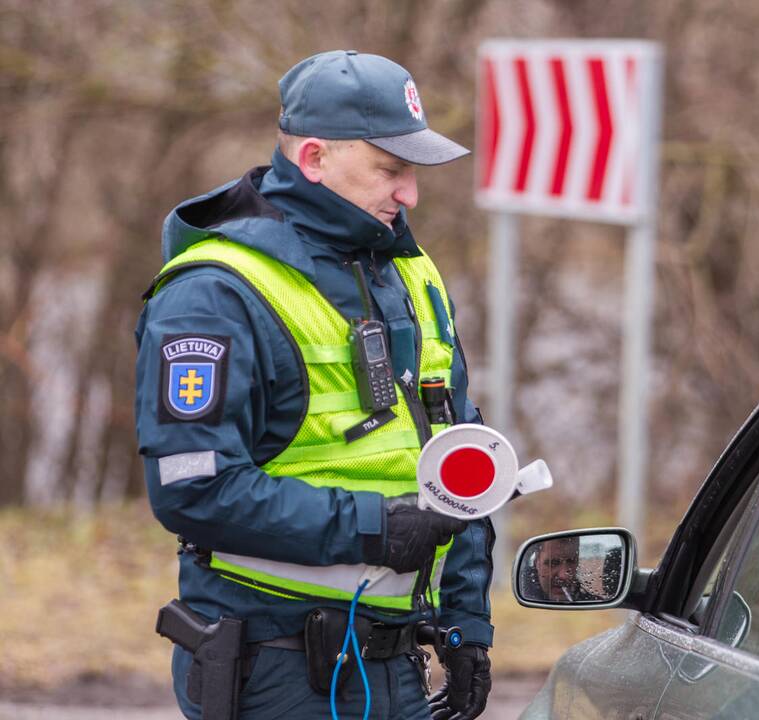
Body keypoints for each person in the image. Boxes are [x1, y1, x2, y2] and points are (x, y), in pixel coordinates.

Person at [135, 50, 493, 720]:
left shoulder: (413, 275)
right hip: (275, 667)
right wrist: (374, 531)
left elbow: (460, 464)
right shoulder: (215, 292)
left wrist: (466, 627)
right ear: (314, 159)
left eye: (412, 169)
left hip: (396, 666)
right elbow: (192, 488)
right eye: (390, 169)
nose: (409, 192)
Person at [522, 536, 603, 603]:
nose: (564, 575)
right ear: (537, 562)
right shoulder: (526, 597)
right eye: (553, 563)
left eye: (571, 561)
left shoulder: (593, 602)